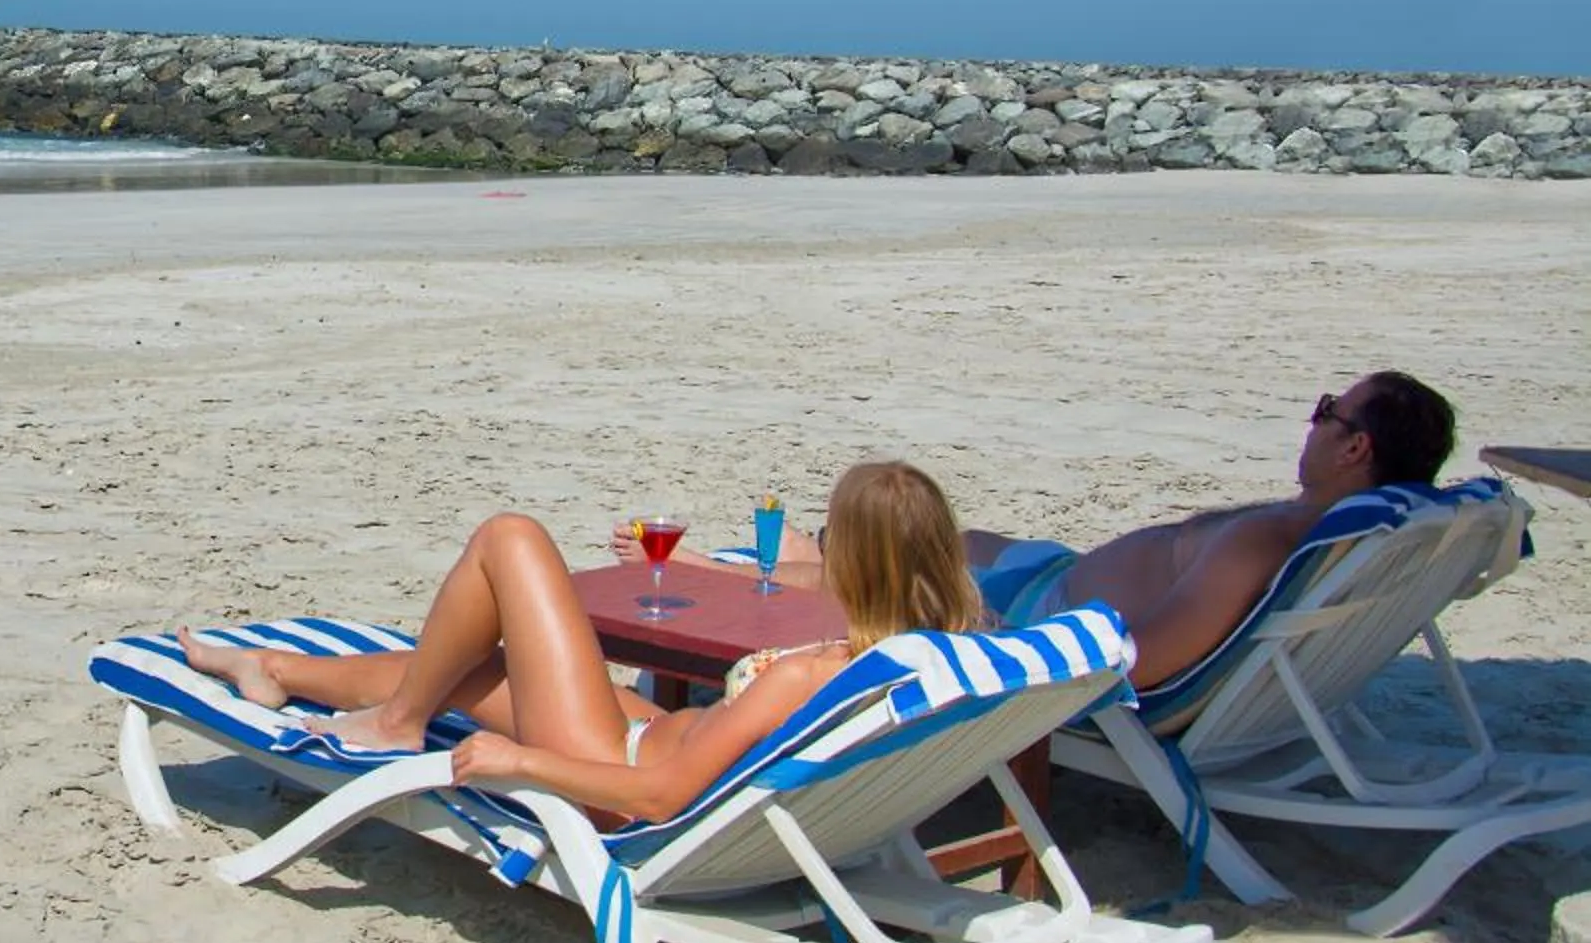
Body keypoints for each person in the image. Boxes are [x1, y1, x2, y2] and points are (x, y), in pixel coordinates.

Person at [179, 462, 984, 826]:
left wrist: (522, 763)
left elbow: (660, 800)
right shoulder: (948, 650)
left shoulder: (804, 676)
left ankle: (395, 723)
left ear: (853, 560)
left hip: (612, 773)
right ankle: (273, 668)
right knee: (475, 667)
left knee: (511, 537)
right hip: (637, 735)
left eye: (827, 536)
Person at [637, 371, 1457, 689]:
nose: (1314, 420)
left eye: (1328, 411)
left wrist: (1015, 650)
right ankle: (817, 553)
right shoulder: (1339, 534)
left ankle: (742, 570)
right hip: (1048, 575)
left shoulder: (1263, 542)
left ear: (1355, 447)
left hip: (1037, 615)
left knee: (884, 574)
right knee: (939, 543)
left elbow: (1136, 663)